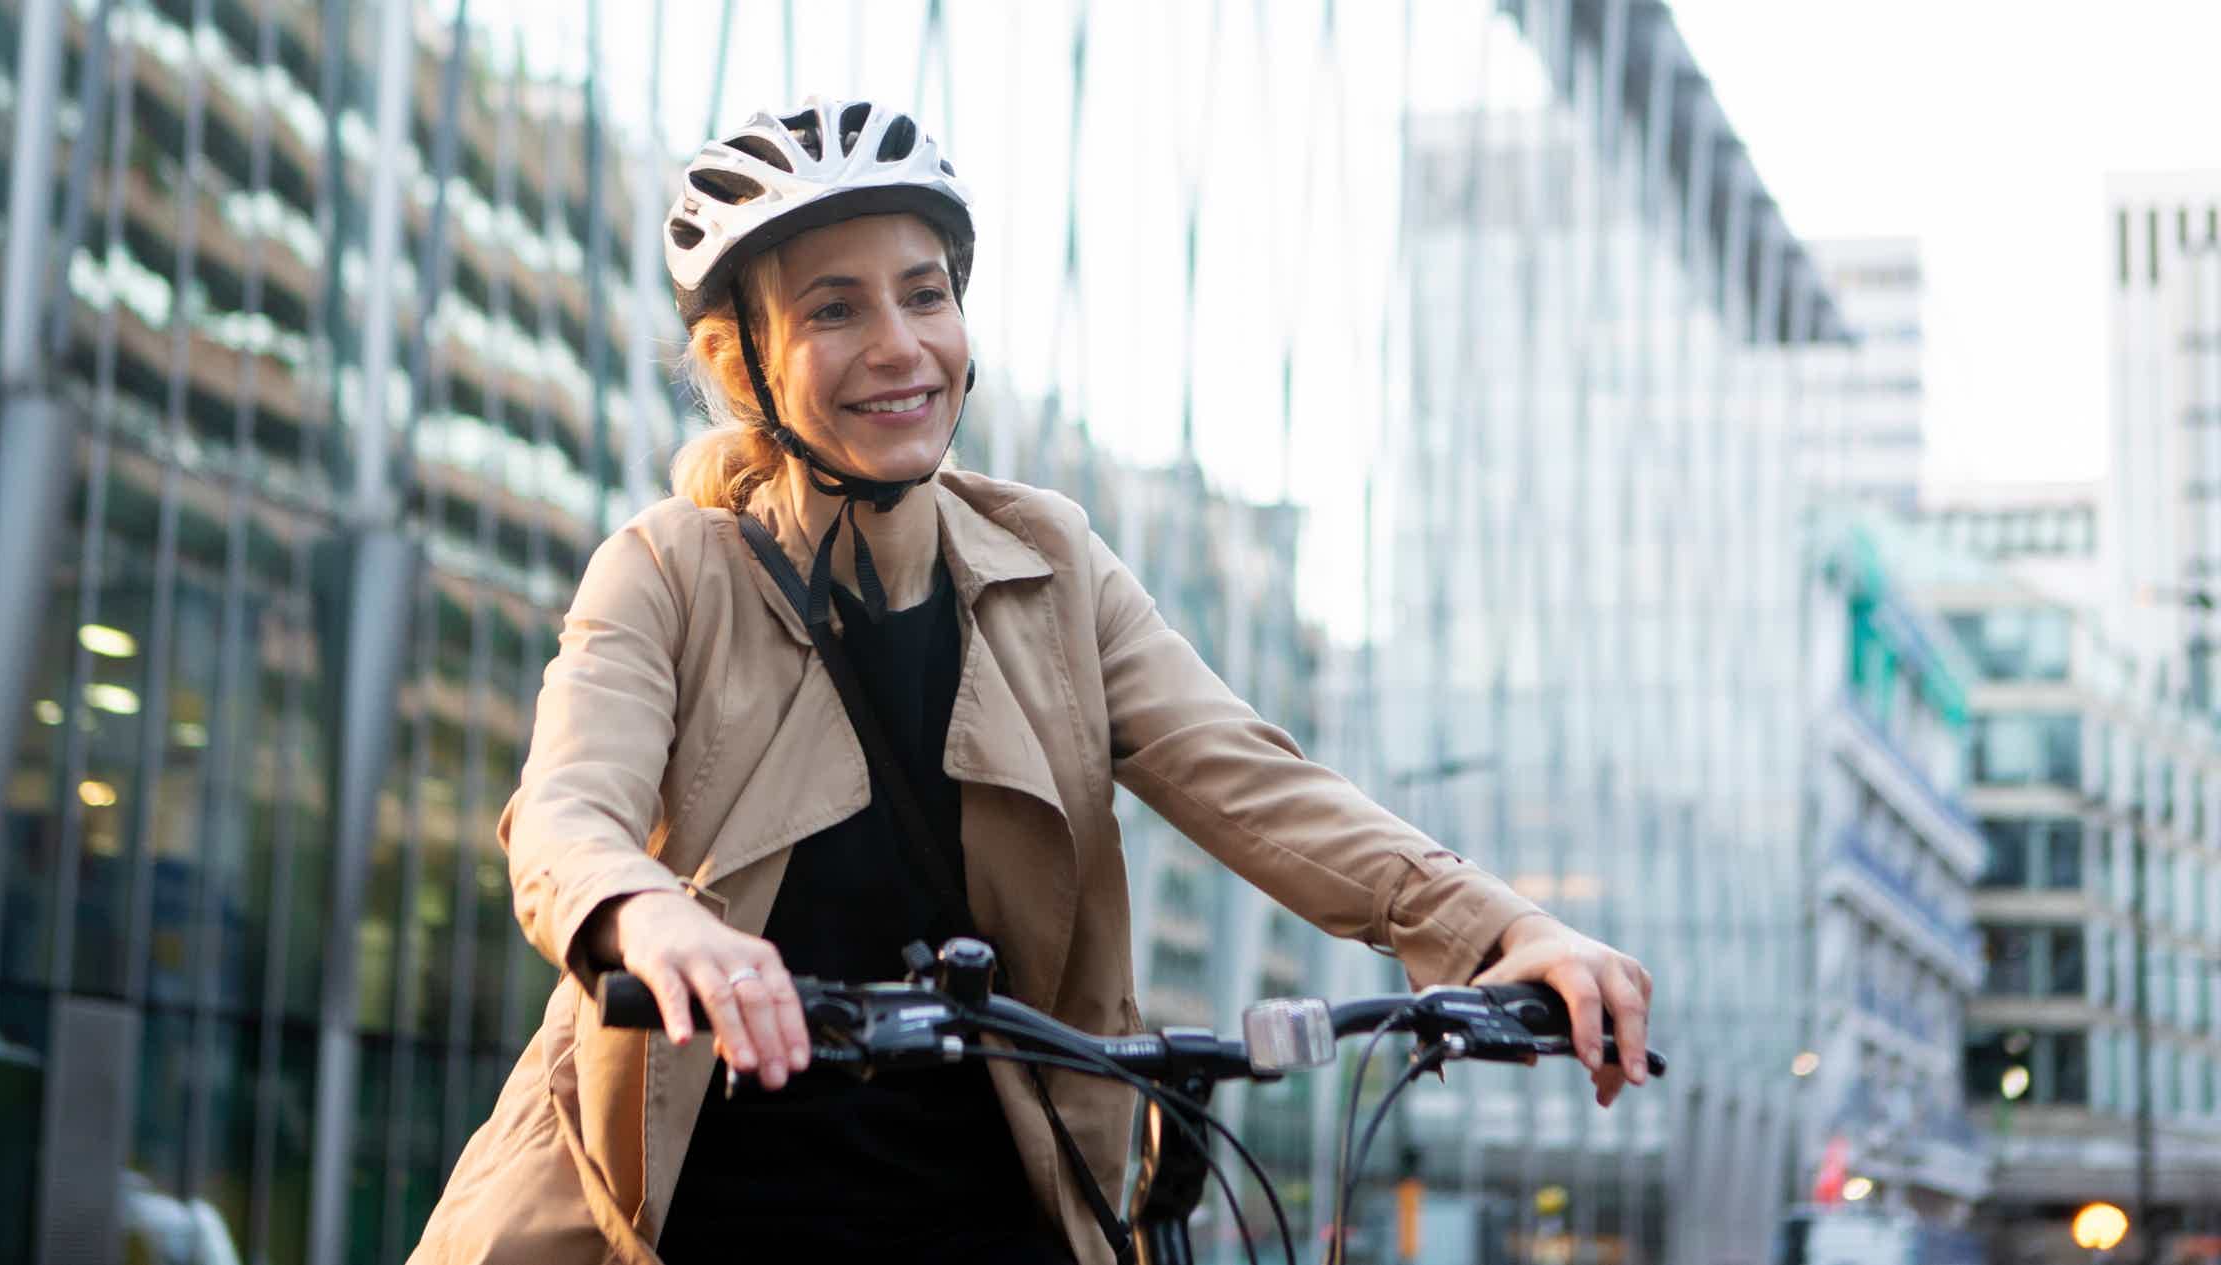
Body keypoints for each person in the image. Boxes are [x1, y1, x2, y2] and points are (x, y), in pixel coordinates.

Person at [409, 97, 1654, 1265]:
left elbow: (1252, 780)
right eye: (835, 310)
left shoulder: (1048, 563)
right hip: (687, 1216)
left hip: (996, 1218)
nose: (900, 346)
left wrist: (1499, 926)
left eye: (925, 294)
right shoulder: (665, 572)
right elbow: (566, 814)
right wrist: (648, 915)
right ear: (744, 368)